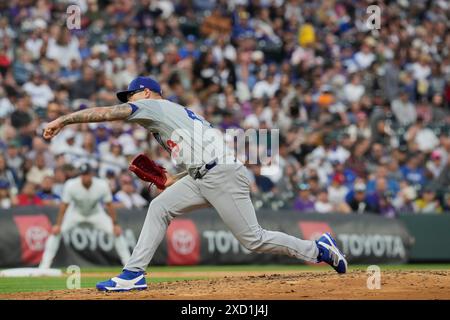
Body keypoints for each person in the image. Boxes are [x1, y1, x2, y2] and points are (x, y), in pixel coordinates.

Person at [43, 76, 347, 292]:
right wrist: (172, 179)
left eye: (131, 95)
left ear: (147, 93)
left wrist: (64, 120)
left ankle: (316, 249)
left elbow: (109, 114)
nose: (129, 101)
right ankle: (133, 273)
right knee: (160, 207)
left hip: (221, 176)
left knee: (253, 239)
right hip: (206, 174)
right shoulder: (179, 115)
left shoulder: (153, 106)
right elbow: (203, 157)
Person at [38, 163, 131, 269]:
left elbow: (109, 205)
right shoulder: (71, 185)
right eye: (82, 174)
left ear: (91, 174)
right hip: (75, 213)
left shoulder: (101, 185)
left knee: (117, 232)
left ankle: (129, 265)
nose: (84, 177)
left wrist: (115, 224)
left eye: (86, 174)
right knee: (56, 232)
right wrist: (58, 224)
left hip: (96, 213)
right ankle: (44, 266)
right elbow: (64, 206)